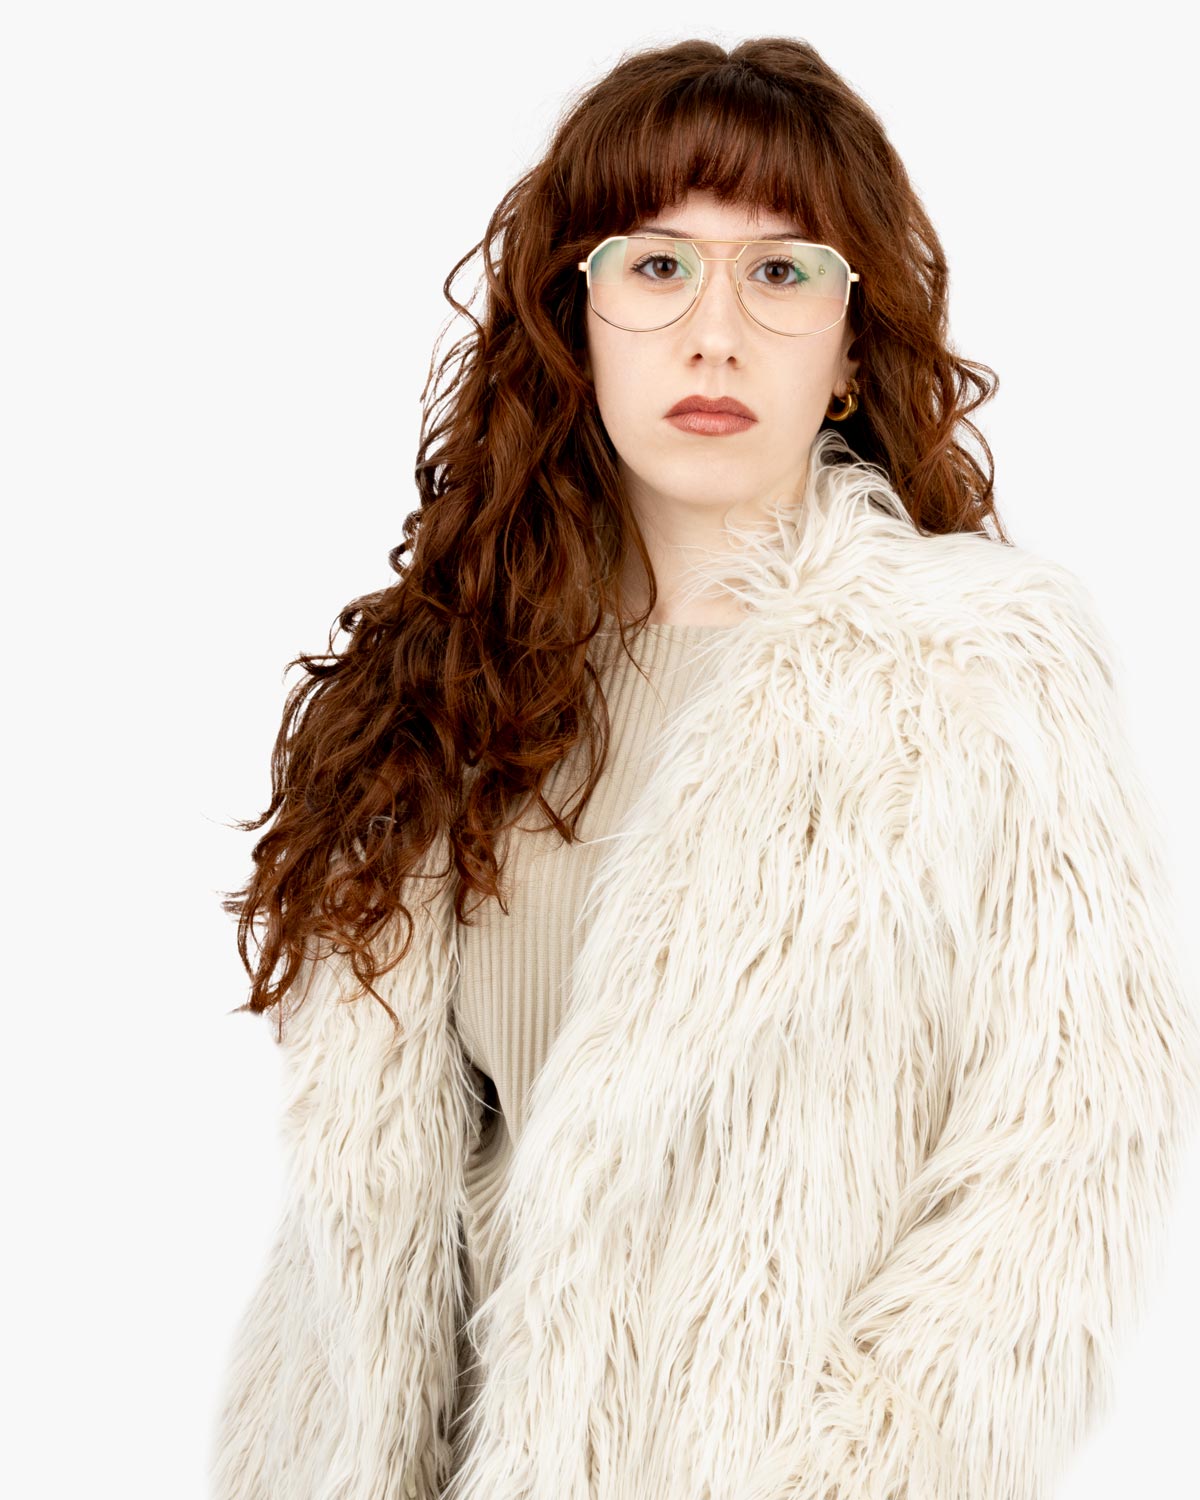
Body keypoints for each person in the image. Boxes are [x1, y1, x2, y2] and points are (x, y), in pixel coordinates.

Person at [207, 34, 1200, 1500]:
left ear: (850, 346)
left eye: (780, 272)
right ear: (579, 315)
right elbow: (370, 1247)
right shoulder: (448, 694)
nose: (714, 333)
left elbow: (1067, 1168)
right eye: (657, 265)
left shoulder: (981, 680)